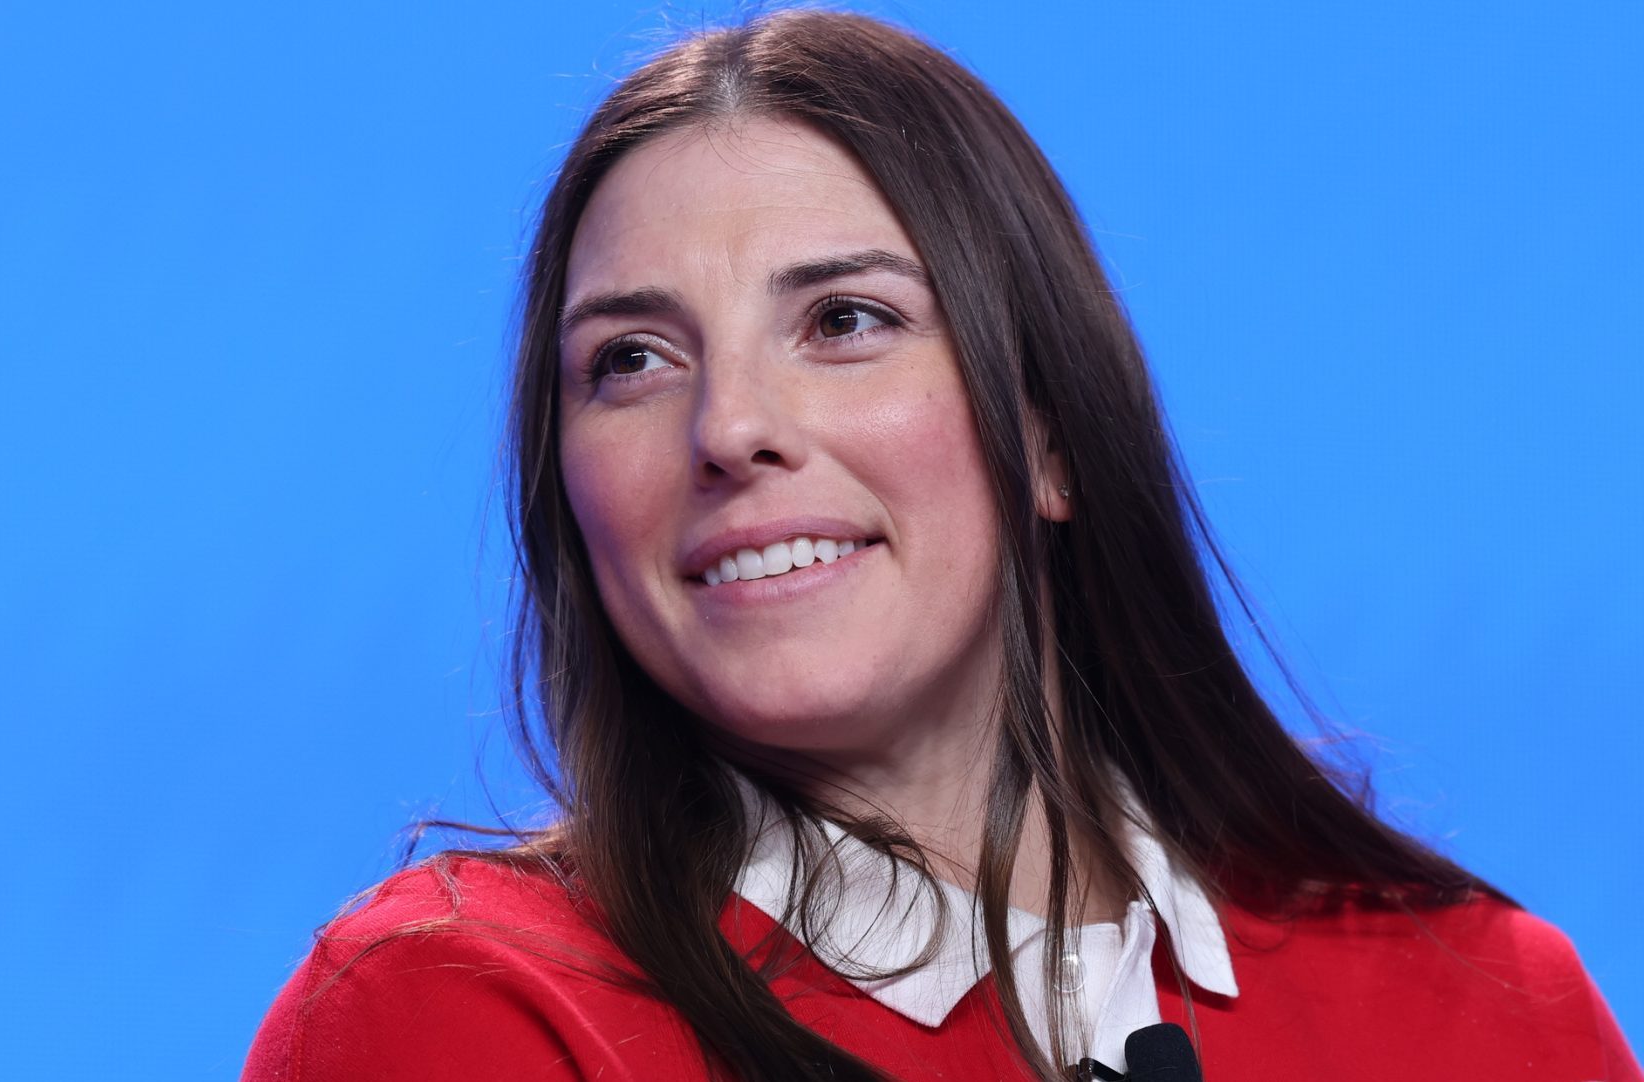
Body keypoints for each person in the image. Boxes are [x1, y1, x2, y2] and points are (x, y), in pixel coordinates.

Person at [242, 10, 1637, 1080]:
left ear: (1050, 436)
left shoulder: (1486, 1007)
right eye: (633, 360)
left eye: (845, 321)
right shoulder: (458, 1012)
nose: (731, 426)